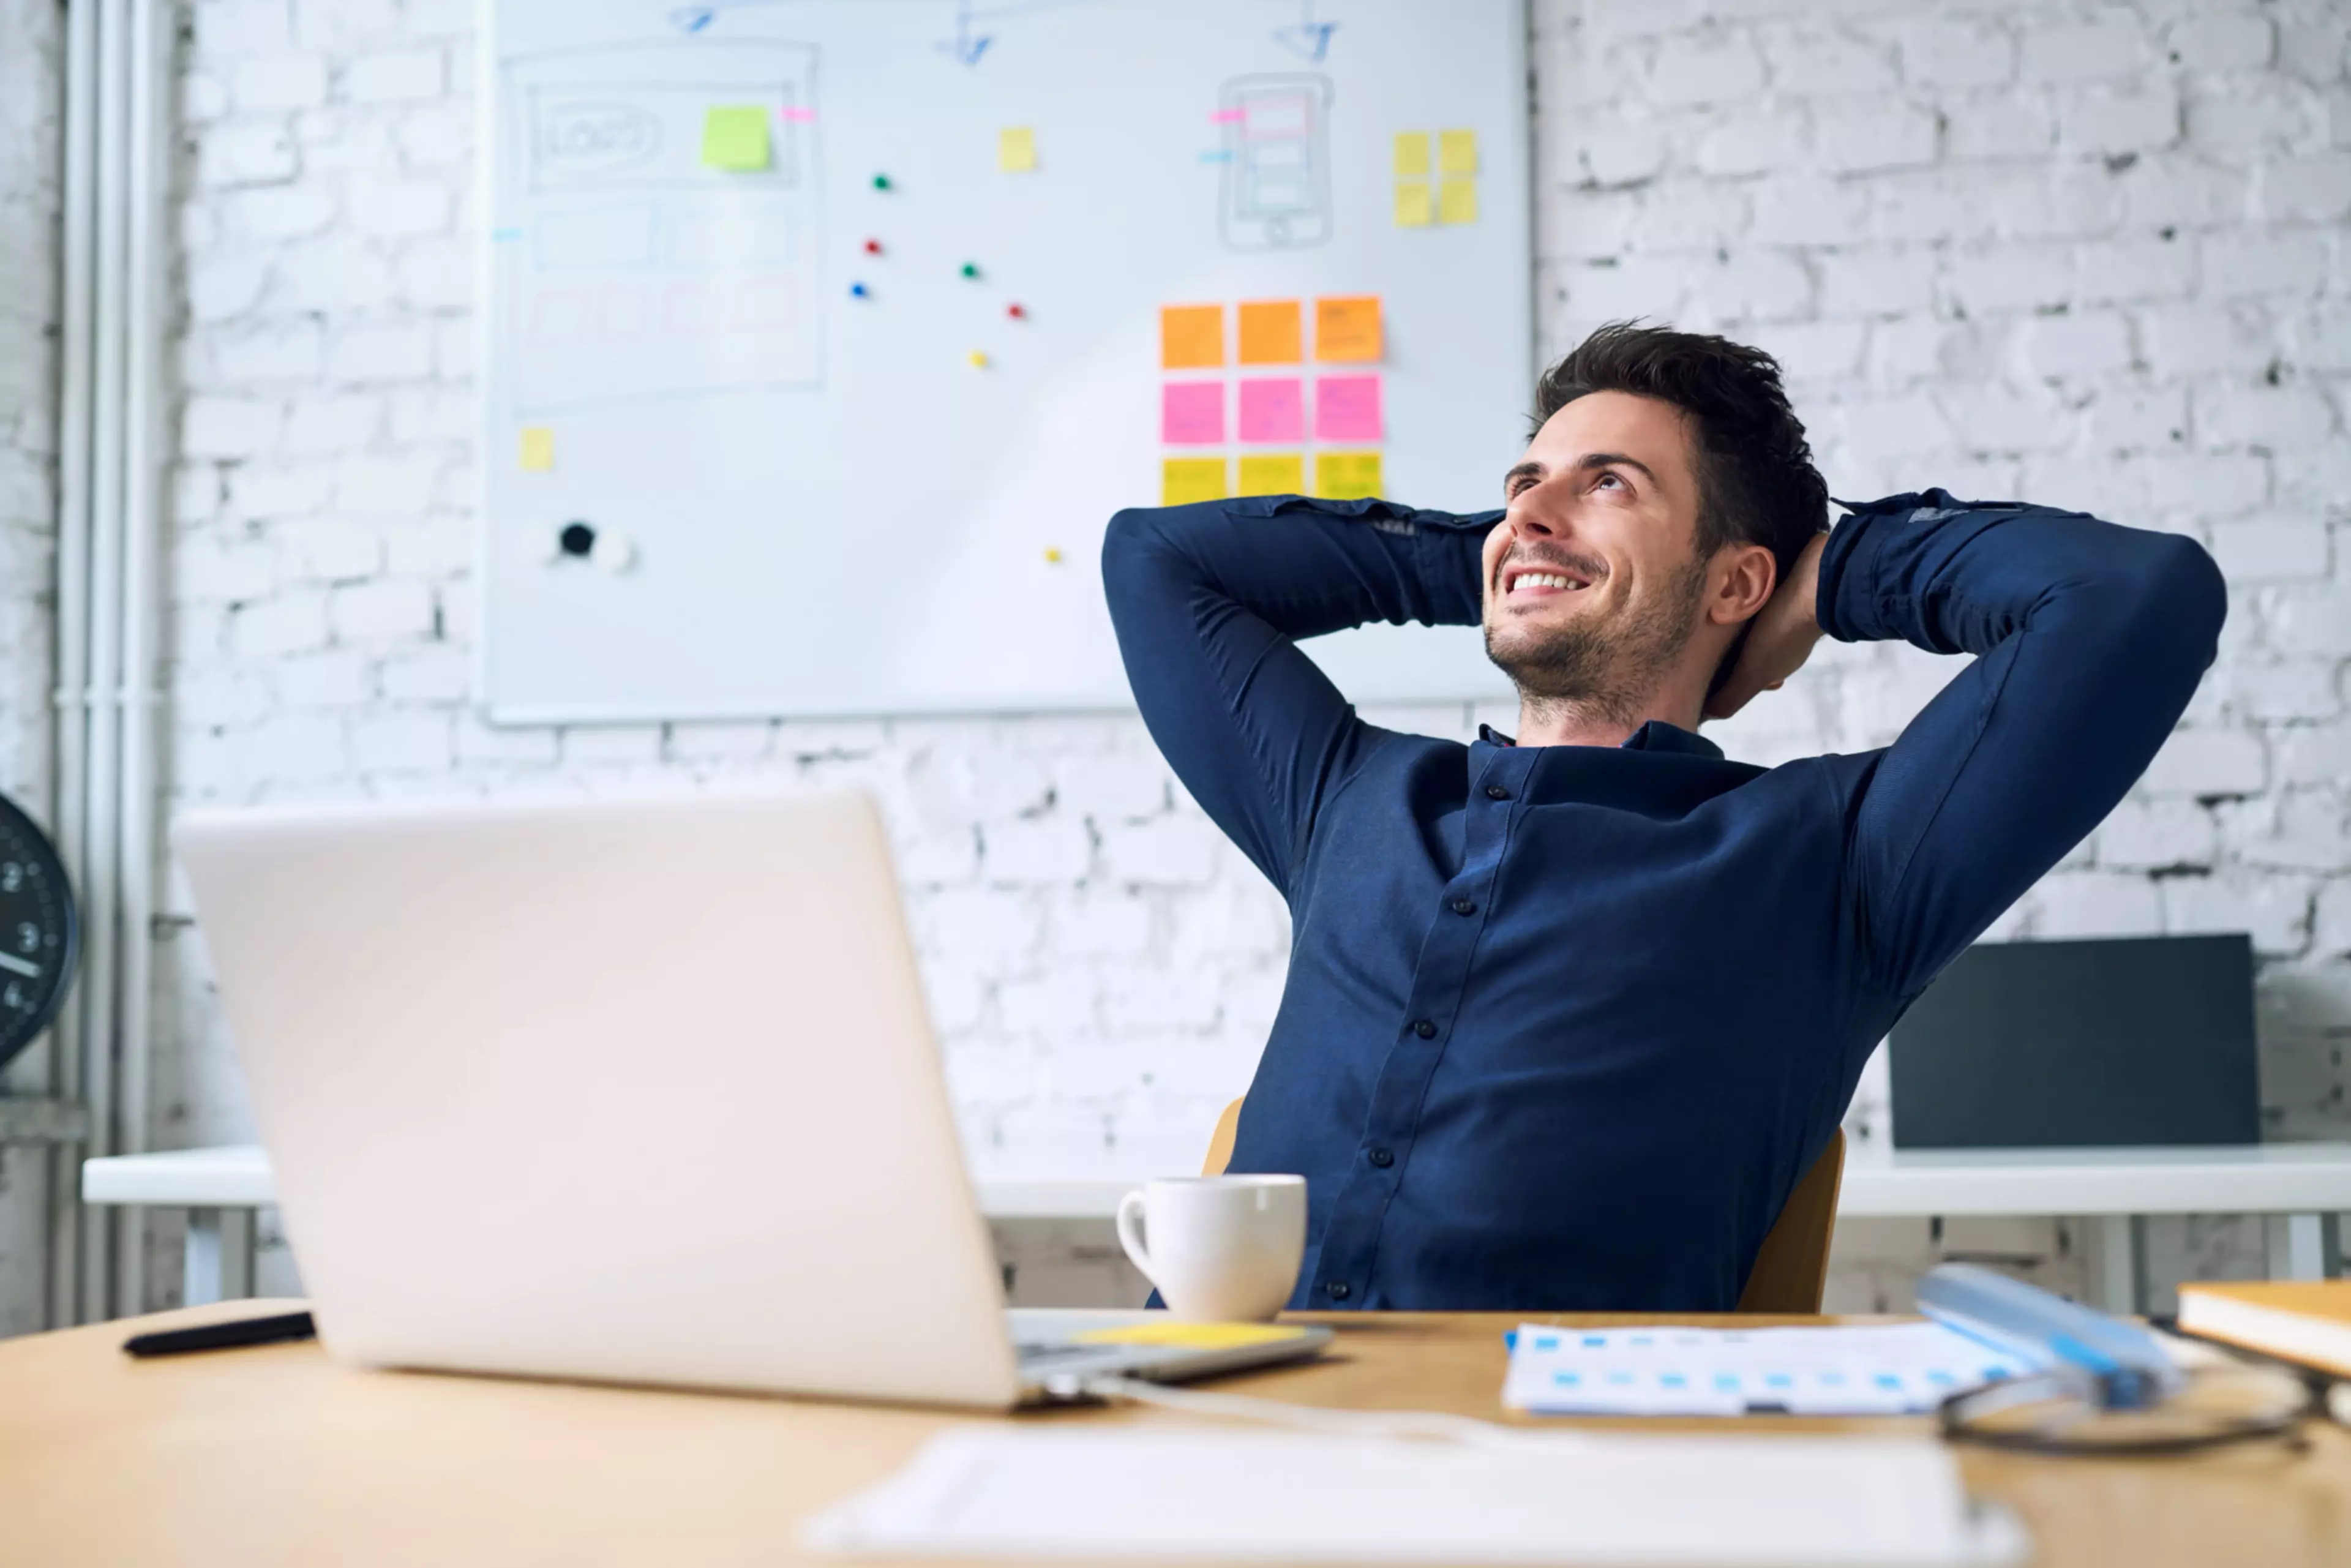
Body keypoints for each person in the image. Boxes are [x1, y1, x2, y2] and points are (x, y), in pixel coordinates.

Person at [1102, 320, 2227, 1311]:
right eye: (1522, 483)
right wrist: (1513, 555)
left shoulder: (1838, 860)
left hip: (1554, 1480)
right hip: (1202, 1436)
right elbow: (1155, 560)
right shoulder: (1352, 799)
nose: (1529, 508)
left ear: (1736, 583)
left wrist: (1832, 575)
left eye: (1609, 483)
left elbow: (2132, 597)